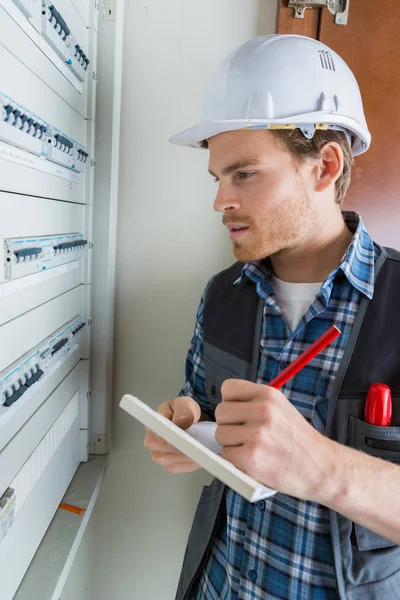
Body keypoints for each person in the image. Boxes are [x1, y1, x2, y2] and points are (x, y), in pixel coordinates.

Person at [144, 34, 400, 600]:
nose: (219, 201)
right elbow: (206, 404)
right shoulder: (223, 295)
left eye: (244, 174)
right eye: (218, 179)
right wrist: (191, 420)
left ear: (325, 166)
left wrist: (321, 469)